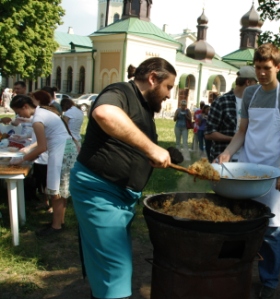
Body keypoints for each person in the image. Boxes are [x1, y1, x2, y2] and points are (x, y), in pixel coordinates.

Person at [69, 57, 177, 299]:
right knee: (115, 270)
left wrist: (166, 153)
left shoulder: (143, 107)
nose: (169, 95)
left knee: (109, 266)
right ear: (152, 78)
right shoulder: (120, 91)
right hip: (100, 193)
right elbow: (105, 114)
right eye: (168, 86)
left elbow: (133, 146)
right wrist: (151, 149)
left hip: (120, 196)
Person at [217, 43, 280, 299]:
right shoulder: (250, 94)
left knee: (271, 230)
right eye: (258, 68)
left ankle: (269, 281)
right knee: (237, 220)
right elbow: (241, 132)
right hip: (245, 169)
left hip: (273, 173)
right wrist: (228, 153)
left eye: (266, 68)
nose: (262, 73)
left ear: (278, 66)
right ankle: (233, 271)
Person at [9, 93, 78, 236]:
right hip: (66, 149)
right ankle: (59, 221)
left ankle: (56, 227)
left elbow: (41, 147)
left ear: (25, 106)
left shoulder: (38, 118)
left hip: (61, 152)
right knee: (61, 190)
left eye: (18, 112)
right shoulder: (42, 112)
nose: (19, 115)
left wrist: (22, 159)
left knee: (55, 191)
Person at [205, 66, 258, 162]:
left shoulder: (254, 103)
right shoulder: (221, 101)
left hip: (246, 158)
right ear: (248, 82)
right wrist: (234, 139)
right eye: (255, 83)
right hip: (223, 158)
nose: (257, 86)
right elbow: (209, 133)